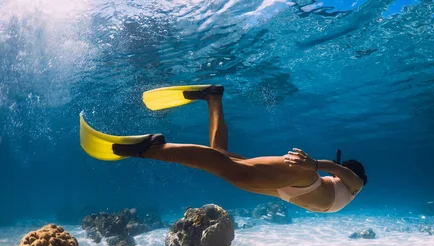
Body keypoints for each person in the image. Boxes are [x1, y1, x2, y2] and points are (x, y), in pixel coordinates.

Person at [80, 85, 367, 213]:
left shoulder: (345, 188)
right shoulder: (355, 184)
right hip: (304, 178)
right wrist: (315, 164)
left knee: (223, 158)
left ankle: (212, 98)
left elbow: (336, 171)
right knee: (230, 170)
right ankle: (153, 148)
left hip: (290, 191)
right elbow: (339, 169)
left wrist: (317, 167)